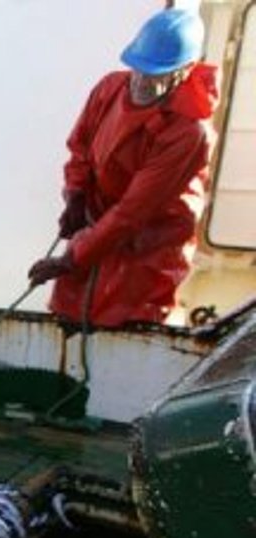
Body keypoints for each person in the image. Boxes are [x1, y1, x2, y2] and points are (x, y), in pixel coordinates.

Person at [28, 8, 219, 328]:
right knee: (69, 315)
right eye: (138, 68)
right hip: (100, 227)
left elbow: (133, 211)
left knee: (125, 326)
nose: (142, 81)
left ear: (185, 71)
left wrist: (70, 259)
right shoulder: (110, 88)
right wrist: (76, 195)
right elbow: (80, 148)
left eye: (157, 73)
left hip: (147, 246)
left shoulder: (188, 133)